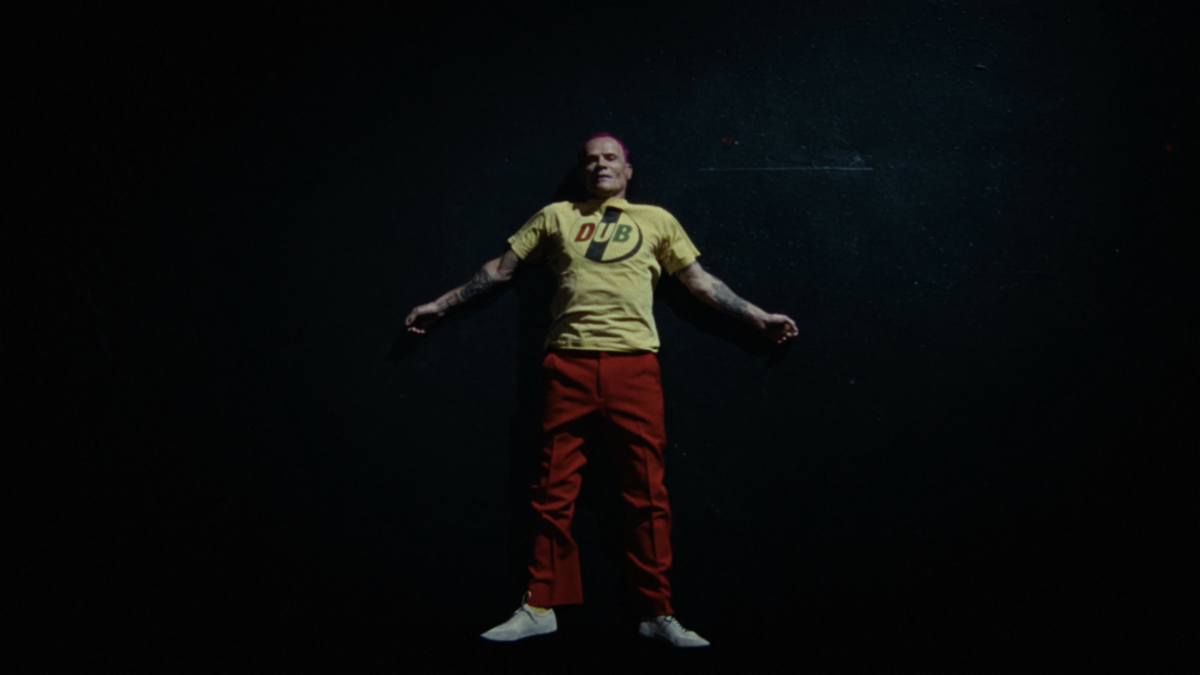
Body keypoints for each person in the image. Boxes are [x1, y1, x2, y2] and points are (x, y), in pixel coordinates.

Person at [405, 133, 797, 647]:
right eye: (590, 160)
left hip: (634, 365)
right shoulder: (556, 216)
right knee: (551, 489)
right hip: (566, 363)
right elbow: (499, 271)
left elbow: (700, 283)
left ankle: (656, 611)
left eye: (610, 158)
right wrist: (441, 304)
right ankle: (540, 606)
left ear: (628, 169)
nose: (600, 165)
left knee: (647, 493)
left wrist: (758, 317)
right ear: (580, 171)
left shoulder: (657, 220)